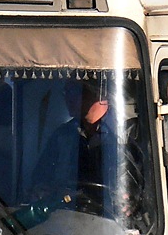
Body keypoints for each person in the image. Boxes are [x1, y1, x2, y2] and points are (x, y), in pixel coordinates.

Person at [30, 79, 144, 223]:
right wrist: (43, 191)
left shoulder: (128, 133)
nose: (67, 97)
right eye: (66, 91)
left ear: (99, 92)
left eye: (75, 91)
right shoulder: (63, 136)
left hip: (116, 228)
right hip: (67, 222)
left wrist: (132, 200)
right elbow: (40, 179)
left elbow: (146, 192)